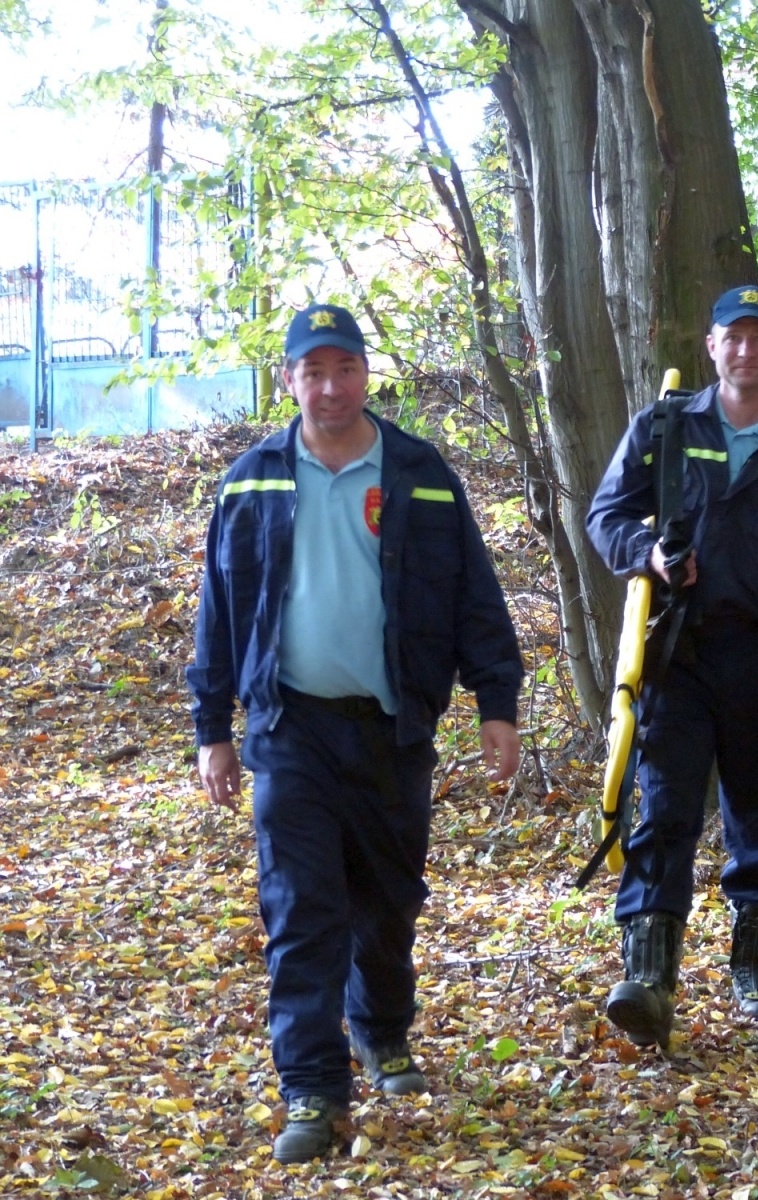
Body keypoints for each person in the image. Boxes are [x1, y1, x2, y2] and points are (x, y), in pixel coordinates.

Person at [187, 304, 524, 1163]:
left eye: (345, 369)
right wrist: (211, 726)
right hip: (289, 729)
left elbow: (473, 595)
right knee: (302, 909)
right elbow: (219, 611)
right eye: (314, 371)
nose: (331, 387)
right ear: (289, 381)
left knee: (387, 899)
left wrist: (496, 702)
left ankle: (382, 1032)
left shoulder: (420, 472)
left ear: (366, 375)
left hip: (392, 728)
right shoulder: (253, 480)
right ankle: (312, 1087)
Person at [586, 284, 758, 1048]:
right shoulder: (665, 428)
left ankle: (756, 967)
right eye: (734, 336)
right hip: (678, 652)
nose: (746, 349)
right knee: (665, 810)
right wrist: (650, 557)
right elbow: (606, 516)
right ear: (712, 346)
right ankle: (648, 979)